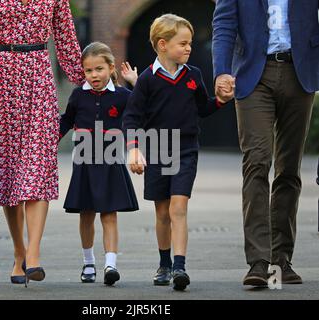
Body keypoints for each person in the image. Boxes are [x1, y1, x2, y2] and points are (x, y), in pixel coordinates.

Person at [0, 0, 85, 286]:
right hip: (2, 78)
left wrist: (89, 82)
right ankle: (19, 251)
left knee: (38, 165)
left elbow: (67, 38)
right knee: (8, 172)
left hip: (39, 75)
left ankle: (33, 253)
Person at [122, 14, 234, 291]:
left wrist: (220, 100)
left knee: (178, 208)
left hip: (185, 150)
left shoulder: (193, 76)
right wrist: (134, 150)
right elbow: (131, 118)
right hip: (157, 149)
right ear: (163, 45)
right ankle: (165, 263)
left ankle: (180, 267)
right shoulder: (147, 79)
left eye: (190, 43)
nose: (189, 48)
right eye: (183, 43)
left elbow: (203, 108)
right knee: (162, 213)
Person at [212, 0, 319, 286]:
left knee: (288, 170)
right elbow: (223, 24)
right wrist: (221, 70)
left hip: (301, 74)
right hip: (252, 76)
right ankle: (258, 262)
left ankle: (282, 260)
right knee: (257, 161)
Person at [59, 42, 139, 286]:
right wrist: (45, 144)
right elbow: (66, 121)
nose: (94, 75)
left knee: (109, 213)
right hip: (84, 162)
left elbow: (142, 112)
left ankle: (110, 265)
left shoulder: (124, 96)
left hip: (112, 161)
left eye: (99, 69)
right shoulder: (78, 95)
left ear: (111, 68)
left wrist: (136, 84)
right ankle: (89, 262)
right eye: (88, 71)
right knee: (86, 214)